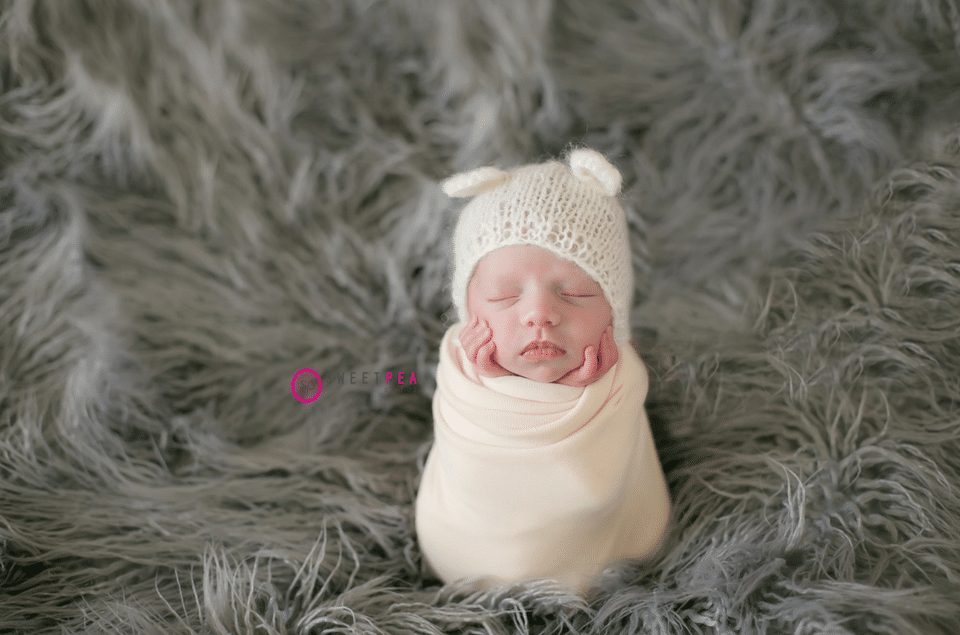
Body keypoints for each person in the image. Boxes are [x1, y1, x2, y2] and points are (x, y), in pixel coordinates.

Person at [415, 149, 671, 593]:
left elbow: (599, 489)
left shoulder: (620, 380)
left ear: (615, 312)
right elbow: (474, 480)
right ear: (468, 311)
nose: (538, 314)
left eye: (573, 292)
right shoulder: (462, 379)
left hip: (601, 553)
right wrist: (492, 380)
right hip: (465, 552)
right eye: (502, 296)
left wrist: (586, 392)